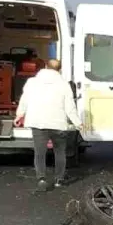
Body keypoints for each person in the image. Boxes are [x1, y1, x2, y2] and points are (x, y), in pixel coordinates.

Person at [15, 58, 83, 192]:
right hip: (57, 123)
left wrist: (19, 115)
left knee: (40, 153)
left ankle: (41, 179)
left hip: (37, 122)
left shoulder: (32, 82)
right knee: (60, 152)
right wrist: (78, 122)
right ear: (59, 69)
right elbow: (70, 107)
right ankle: (59, 179)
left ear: (46, 66)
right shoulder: (64, 85)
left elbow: (24, 100)